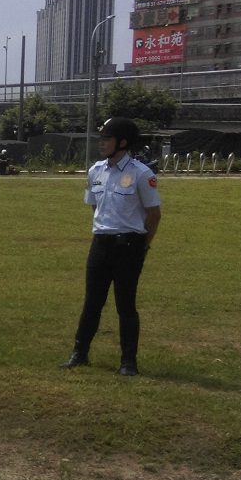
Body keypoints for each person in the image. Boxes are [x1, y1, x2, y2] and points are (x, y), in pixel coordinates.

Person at [60, 118, 161, 376]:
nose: (101, 143)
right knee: (92, 302)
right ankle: (79, 353)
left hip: (129, 246)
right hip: (100, 245)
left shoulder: (141, 174)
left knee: (125, 305)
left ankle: (128, 362)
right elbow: (95, 206)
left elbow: (153, 214)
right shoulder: (96, 171)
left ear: (122, 142)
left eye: (107, 139)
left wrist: (143, 247)